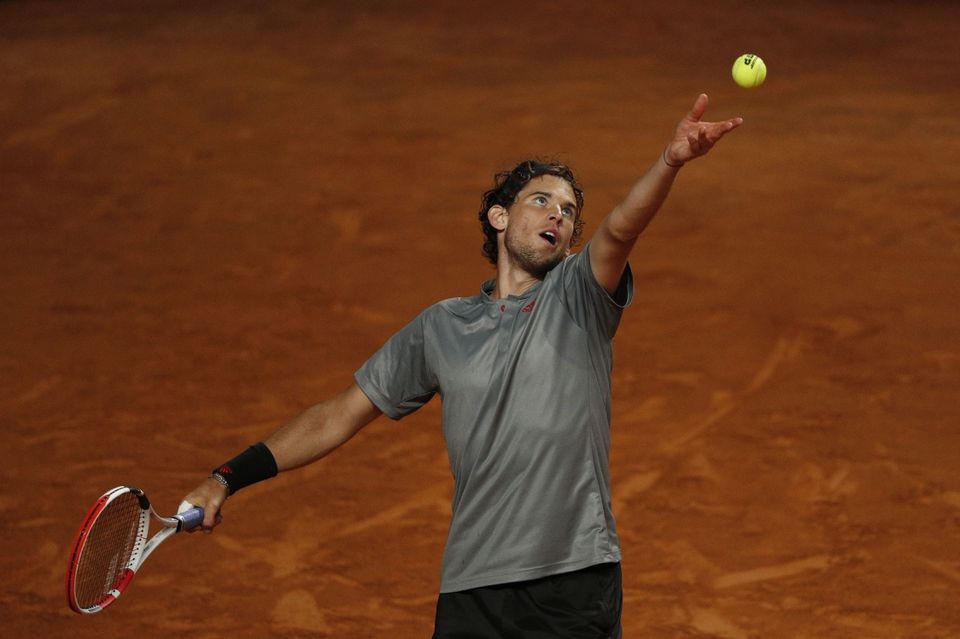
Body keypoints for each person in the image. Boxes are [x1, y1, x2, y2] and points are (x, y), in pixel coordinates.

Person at [183, 93, 741, 638]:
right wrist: (226, 478)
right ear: (500, 216)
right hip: (473, 589)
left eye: (569, 211)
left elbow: (621, 228)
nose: (559, 215)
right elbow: (338, 415)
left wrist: (670, 163)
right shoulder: (440, 327)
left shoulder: (579, 295)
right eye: (542, 201)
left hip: (571, 580)